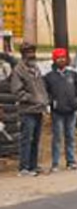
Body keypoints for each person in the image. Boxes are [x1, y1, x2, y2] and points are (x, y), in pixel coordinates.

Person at [10, 41, 48, 176]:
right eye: (28, 52)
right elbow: (17, 91)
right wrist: (32, 98)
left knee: (36, 139)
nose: (31, 54)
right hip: (27, 111)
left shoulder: (36, 68)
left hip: (39, 109)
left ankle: (33, 166)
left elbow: (41, 88)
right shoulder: (18, 70)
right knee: (26, 139)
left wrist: (44, 101)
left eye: (33, 51)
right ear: (23, 54)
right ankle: (24, 168)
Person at [44, 48, 77, 171]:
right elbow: (46, 93)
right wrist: (50, 104)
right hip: (57, 111)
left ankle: (71, 161)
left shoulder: (72, 74)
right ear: (54, 60)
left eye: (63, 57)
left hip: (71, 110)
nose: (61, 60)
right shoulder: (49, 77)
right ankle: (55, 163)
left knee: (70, 136)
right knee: (57, 137)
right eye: (59, 58)